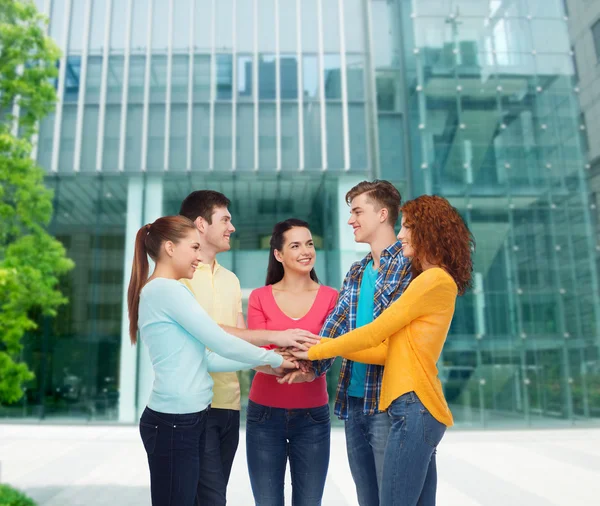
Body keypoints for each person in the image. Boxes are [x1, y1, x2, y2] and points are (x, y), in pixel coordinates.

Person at [294, 195, 474, 506]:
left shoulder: (431, 280)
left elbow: (377, 331)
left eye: (408, 227)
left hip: (414, 406)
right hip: (411, 408)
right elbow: (383, 349)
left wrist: (314, 352)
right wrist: (321, 347)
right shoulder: (429, 280)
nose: (402, 234)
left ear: (428, 232)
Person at [127, 215, 297, 506]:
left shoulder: (167, 290)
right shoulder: (166, 290)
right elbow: (218, 340)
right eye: (193, 248)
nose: (198, 257)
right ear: (169, 248)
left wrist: (269, 364)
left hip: (185, 420)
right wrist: (273, 354)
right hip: (173, 424)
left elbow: (206, 358)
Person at [178, 191, 318, 505]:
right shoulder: (180, 276)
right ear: (201, 224)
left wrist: (284, 365)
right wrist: (276, 340)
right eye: (225, 219)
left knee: (213, 495)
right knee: (210, 498)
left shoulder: (230, 280)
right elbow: (204, 335)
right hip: (193, 405)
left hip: (228, 407)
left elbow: (243, 340)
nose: (233, 227)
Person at [313, 180, 412, 505]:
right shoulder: (357, 271)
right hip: (354, 403)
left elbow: (392, 343)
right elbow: (335, 327)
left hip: (390, 404)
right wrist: (306, 362)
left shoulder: (408, 269)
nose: (350, 219)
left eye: (357, 211)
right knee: (367, 499)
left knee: (393, 498)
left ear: (383, 214)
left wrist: (326, 349)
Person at [245, 219, 338, 506]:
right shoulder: (260, 297)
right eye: (295, 245)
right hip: (263, 416)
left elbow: (331, 349)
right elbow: (253, 351)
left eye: (309, 243)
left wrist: (290, 359)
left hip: (313, 417)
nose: (305, 251)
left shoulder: (331, 297)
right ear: (278, 254)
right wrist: (292, 357)